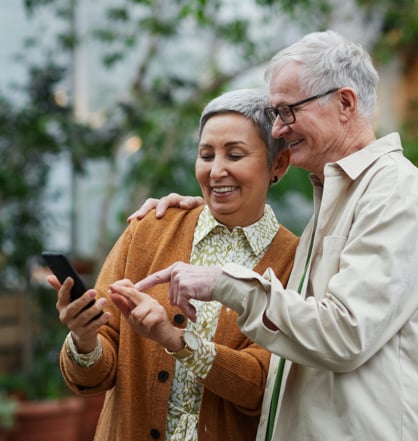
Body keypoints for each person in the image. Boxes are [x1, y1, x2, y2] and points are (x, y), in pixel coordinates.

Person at [131, 30, 418, 441]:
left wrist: (223, 283)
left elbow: (343, 334)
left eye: (287, 111)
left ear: (344, 103)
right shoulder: (342, 195)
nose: (279, 131)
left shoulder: (394, 193)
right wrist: (206, 206)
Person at [48, 89, 298, 441]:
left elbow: (263, 387)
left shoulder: (295, 260)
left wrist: (175, 339)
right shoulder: (150, 229)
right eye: (206, 155)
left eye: (235, 154)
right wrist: (84, 338)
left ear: (279, 164)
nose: (216, 171)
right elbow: (93, 377)